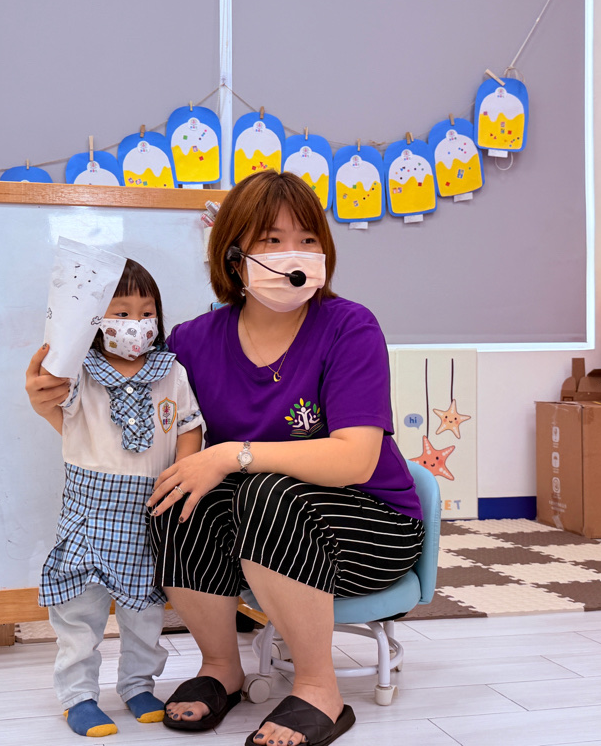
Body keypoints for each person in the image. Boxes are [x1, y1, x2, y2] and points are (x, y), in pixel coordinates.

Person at [146, 171, 425, 746]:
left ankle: (320, 688)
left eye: (307, 238)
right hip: (262, 529)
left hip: (372, 526)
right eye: (271, 240)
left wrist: (234, 454)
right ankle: (220, 668)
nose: (292, 254)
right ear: (233, 255)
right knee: (179, 491)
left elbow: (355, 460)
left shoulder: (349, 326)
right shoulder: (192, 341)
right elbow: (145, 429)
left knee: (261, 488)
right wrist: (57, 409)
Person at [25, 259, 204, 738]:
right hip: (88, 513)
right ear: (95, 320)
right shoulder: (79, 373)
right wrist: (51, 364)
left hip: (149, 511)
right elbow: (52, 398)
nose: (135, 325)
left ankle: (138, 685)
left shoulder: (172, 372)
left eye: (146, 313)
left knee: (145, 611)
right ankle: (78, 696)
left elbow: (189, 425)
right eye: (121, 314)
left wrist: (182, 475)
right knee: (78, 613)